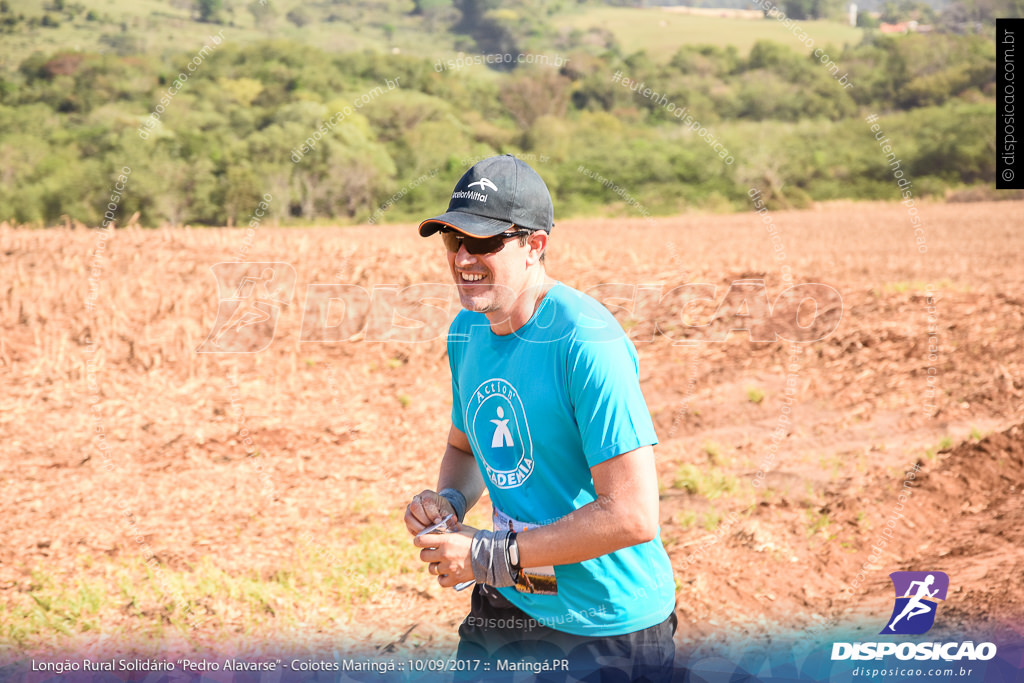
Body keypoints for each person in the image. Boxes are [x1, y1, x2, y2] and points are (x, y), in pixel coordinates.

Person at [404, 154, 676, 681]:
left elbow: (632, 514)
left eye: (482, 242)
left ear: (535, 246)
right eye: (452, 241)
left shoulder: (585, 341)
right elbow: (467, 447)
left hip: (605, 625)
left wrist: (486, 556)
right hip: (510, 602)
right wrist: (450, 503)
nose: (462, 258)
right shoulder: (468, 330)